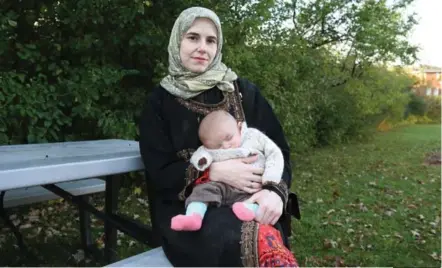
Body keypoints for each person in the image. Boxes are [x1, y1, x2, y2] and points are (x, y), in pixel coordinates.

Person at [139, 6, 299, 267]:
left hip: (255, 198)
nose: (202, 47)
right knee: (233, 238)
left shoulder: (244, 92)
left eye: (210, 40)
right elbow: (158, 171)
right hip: (191, 209)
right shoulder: (159, 102)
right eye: (193, 37)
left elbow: (279, 150)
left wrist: (274, 192)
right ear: (177, 40)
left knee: (263, 235)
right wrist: (213, 172)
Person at [171, 110, 285, 231]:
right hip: (221, 186)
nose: (226, 146)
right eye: (218, 145)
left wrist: (270, 178)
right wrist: (205, 164)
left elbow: (274, 153)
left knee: (261, 201)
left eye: (229, 138)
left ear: (239, 126)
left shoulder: (253, 136)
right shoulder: (211, 146)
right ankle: (193, 216)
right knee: (201, 191)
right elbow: (201, 155)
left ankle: (249, 210)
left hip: (252, 188)